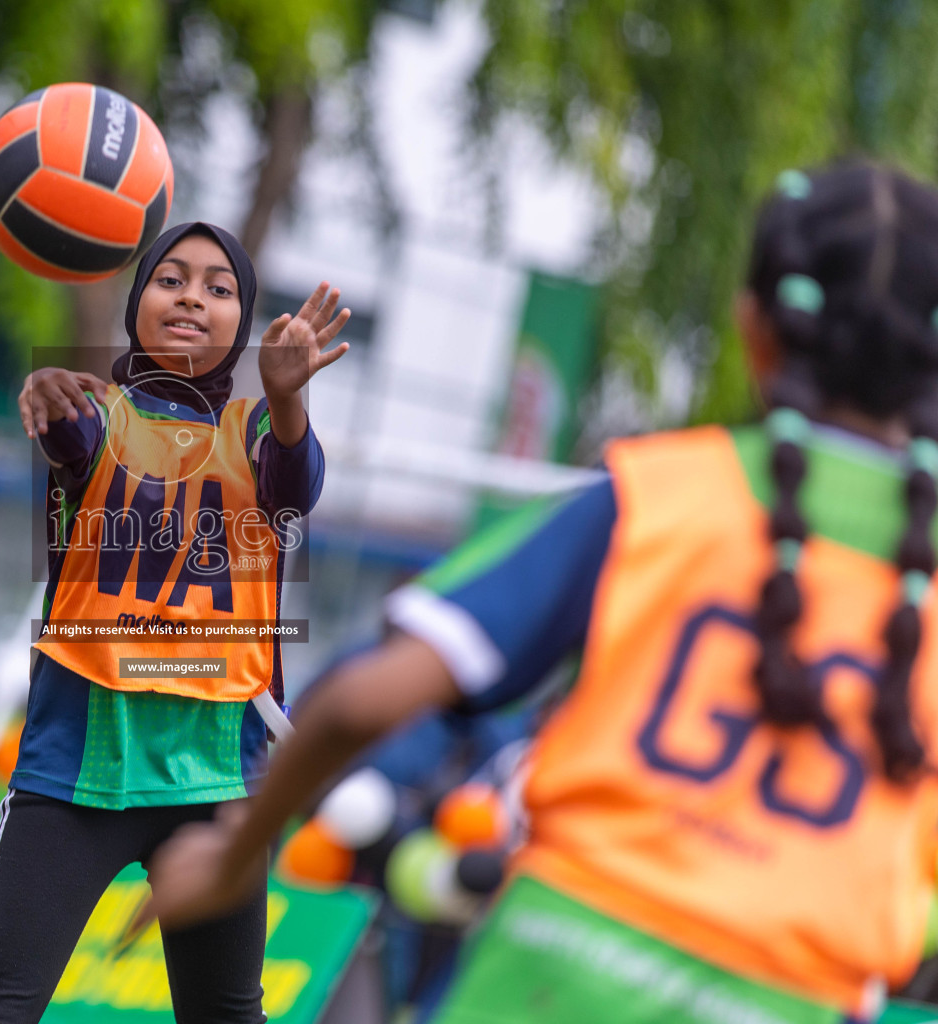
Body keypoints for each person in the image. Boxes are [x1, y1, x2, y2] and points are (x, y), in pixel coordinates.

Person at [148, 163, 938, 1023]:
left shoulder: (659, 493)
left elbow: (363, 700)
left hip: (550, 971)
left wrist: (233, 856)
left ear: (755, 328)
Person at [0, 222, 348, 1024]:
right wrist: (49, 399)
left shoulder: (261, 428)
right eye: (171, 278)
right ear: (137, 305)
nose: (193, 295)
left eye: (219, 286)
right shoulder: (97, 414)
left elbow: (294, 490)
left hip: (219, 786)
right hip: (76, 772)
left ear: (242, 320)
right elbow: (67, 436)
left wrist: (289, 396)